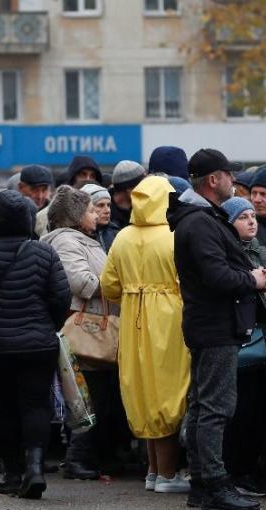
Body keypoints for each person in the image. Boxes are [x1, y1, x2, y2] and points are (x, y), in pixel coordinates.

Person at [168, 148, 266, 510]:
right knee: (215, 407)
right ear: (213, 180)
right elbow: (216, 276)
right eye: (229, 175)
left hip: (211, 323)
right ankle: (213, 483)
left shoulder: (201, 217)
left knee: (202, 405)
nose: (234, 181)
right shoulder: (199, 221)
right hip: (215, 325)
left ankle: (202, 483)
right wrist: (252, 279)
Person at [0, 191, 71, 499]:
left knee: (3, 407)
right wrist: (48, 325)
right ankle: (35, 467)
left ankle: (11, 473)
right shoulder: (45, 253)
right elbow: (62, 298)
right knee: (36, 405)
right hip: (38, 344)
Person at [100, 176, 191, 494]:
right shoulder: (174, 236)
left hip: (132, 319)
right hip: (168, 318)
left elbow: (108, 286)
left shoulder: (123, 237)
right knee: (168, 391)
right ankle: (167, 474)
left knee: (142, 390)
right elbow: (189, 280)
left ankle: (154, 470)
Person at [41, 185, 124, 480]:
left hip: (96, 325)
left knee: (98, 395)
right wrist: (116, 281)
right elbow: (81, 282)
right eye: (90, 209)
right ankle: (77, 459)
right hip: (85, 327)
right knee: (87, 398)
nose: (96, 214)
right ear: (75, 216)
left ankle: (91, 457)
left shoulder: (84, 239)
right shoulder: (66, 241)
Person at [221, 196, 266, 497]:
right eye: (243, 217)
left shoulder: (263, 251)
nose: (252, 221)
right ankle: (234, 471)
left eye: (253, 215)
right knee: (235, 413)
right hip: (234, 341)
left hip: (261, 343)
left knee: (257, 412)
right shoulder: (225, 254)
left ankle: (252, 470)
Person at [109, 160, 146, 231]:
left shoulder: (145, 207)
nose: (146, 189)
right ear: (129, 188)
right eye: (143, 184)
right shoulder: (104, 212)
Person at [81, 183, 120, 252]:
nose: (107, 210)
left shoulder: (116, 234)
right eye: (100, 205)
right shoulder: (77, 236)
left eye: (108, 205)